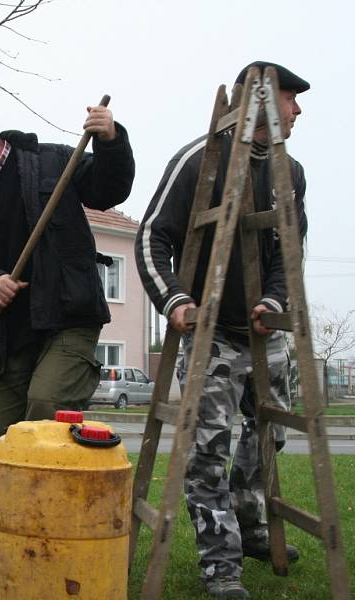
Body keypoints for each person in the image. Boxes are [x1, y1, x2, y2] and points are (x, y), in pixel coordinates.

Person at [134, 61, 308, 599]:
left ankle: (252, 526)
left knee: (268, 436)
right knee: (207, 452)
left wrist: (273, 299)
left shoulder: (290, 171)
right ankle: (220, 564)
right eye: (289, 99)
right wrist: (175, 300)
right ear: (258, 102)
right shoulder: (197, 161)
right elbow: (150, 238)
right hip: (211, 336)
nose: (297, 110)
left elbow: (290, 249)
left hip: (265, 334)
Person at [0, 103, 135, 449]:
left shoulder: (52, 162)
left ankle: (54, 503)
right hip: (5, 335)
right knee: (7, 440)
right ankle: (11, 506)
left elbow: (108, 191)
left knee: (46, 409)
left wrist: (110, 141)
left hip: (67, 317)